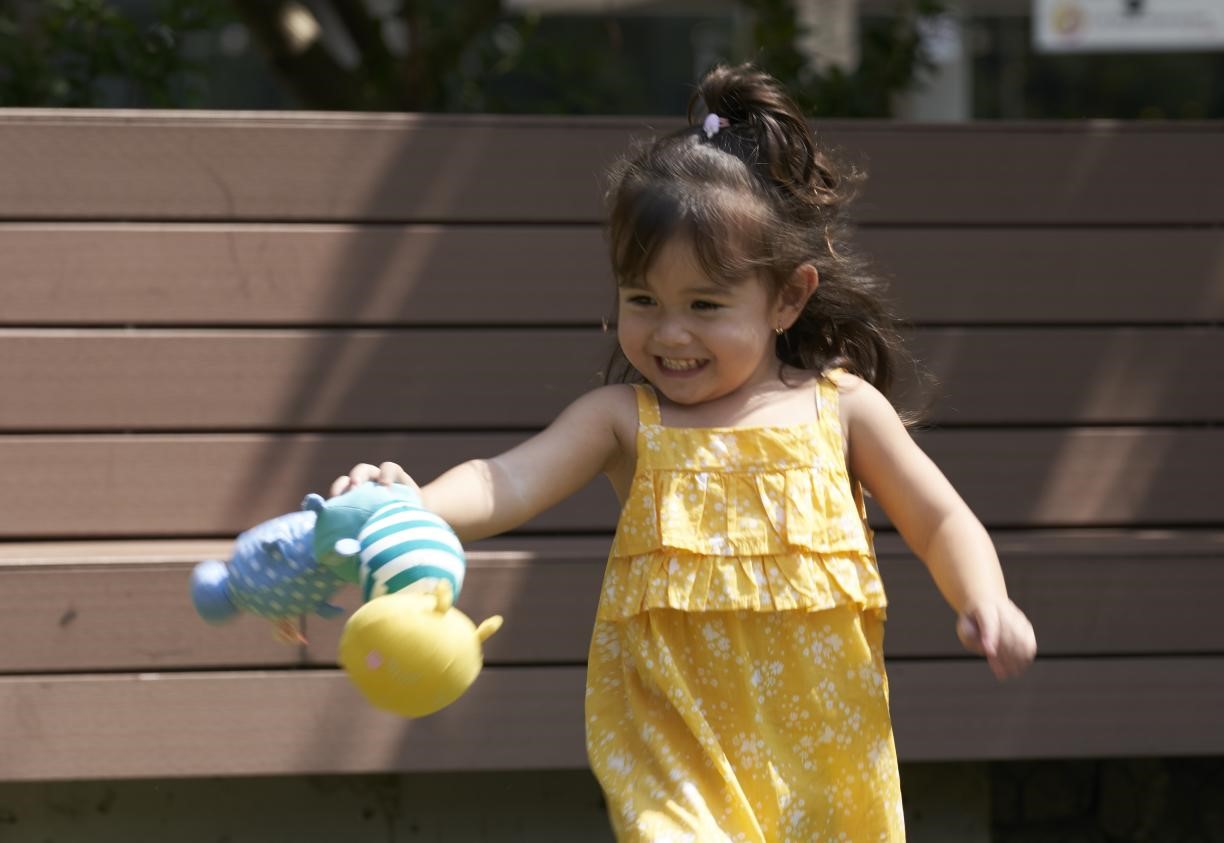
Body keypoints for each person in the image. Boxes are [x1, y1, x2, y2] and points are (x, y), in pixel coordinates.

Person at [330, 63, 1036, 842]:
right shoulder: (625, 421)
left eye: (704, 305)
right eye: (642, 301)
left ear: (787, 298)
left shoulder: (842, 410)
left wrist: (985, 598)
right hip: (676, 755)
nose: (668, 333)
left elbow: (937, 518)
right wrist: (410, 505)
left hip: (828, 755)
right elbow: (506, 480)